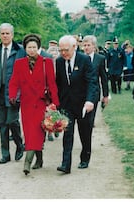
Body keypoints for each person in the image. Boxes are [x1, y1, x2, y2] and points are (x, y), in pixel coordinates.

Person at [9, 34, 59, 175]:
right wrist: (12, 96)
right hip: (26, 104)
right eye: (29, 47)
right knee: (31, 133)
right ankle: (40, 159)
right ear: (25, 48)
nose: (32, 50)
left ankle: (27, 163)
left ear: (38, 48)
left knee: (36, 132)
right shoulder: (19, 63)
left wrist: (55, 102)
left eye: (34, 47)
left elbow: (52, 84)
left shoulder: (46, 62)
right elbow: (14, 82)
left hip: (41, 103)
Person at [55, 35, 98, 174]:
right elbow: (59, 84)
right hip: (67, 105)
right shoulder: (59, 61)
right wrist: (57, 103)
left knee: (85, 133)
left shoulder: (84, 60)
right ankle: (65, 164)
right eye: (60, 50)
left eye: (66, 50)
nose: (63, 53)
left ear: (74, 47)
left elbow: (92, 81)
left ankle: (85, 157)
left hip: (83, 104)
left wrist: (90, 100)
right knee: (67, 134)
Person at [0, 23, 26, 164]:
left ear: (12, 35)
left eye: (7, 33)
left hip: (15, 92)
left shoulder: (20, 50)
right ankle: (5, 154)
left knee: (12, 121)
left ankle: (20, 145)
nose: (5, 36)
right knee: (2, 123)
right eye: (3, 33)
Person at [82, 35, 109, 127]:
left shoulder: (100, 59)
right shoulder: (79, 57)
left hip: (94, 92)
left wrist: (106, 95)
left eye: (88, 45)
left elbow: (104, 78)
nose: (86, 47)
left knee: (90, 117)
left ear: (94, 46)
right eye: (84, 45)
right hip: (81, 92)